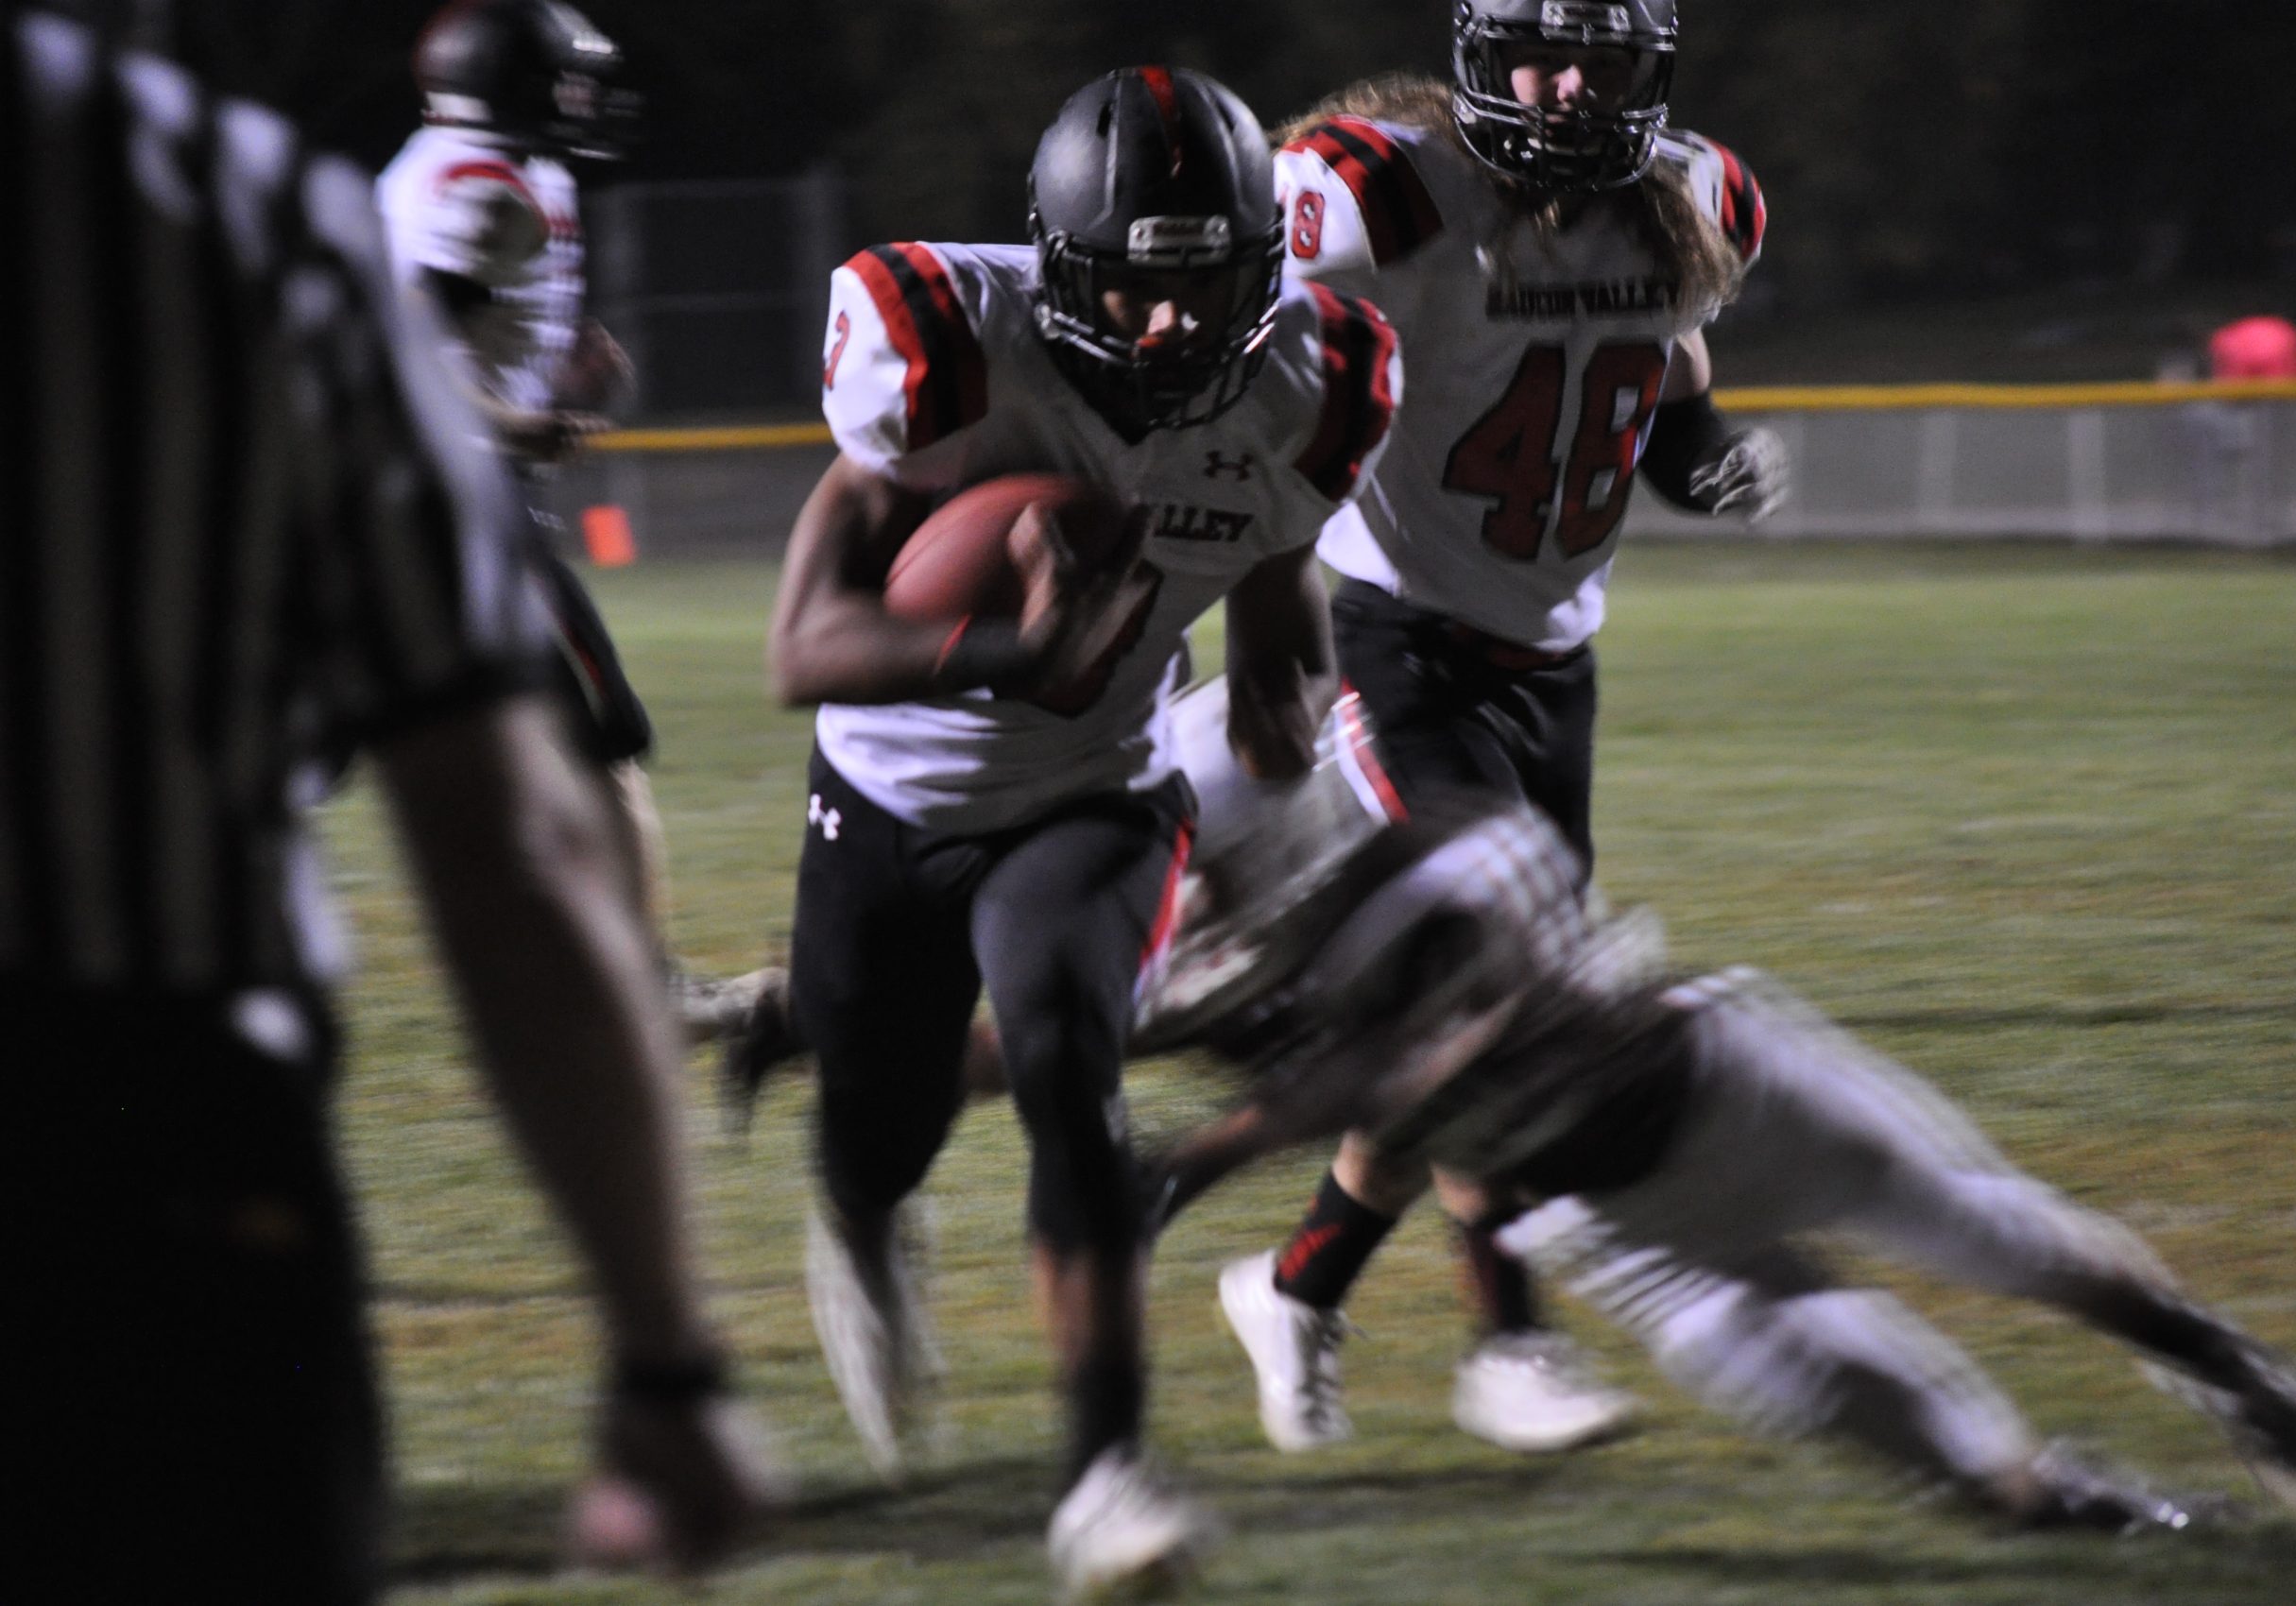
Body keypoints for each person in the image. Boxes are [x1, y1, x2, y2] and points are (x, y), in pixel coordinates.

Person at [5, 7, 780, 1602]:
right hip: (151, 1141)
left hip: (162, 1118)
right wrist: (666, 1359)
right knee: (575, 759)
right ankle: (655, 982)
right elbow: (502, 847)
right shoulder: (223, 198)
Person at [1127, 684, 2296, 1530]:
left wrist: (1192, 1151)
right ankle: (2143, 1533)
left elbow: (1383, 1082)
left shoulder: (1452, 857)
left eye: (1209, 875)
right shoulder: (1243, 955)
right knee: (1951, 1463)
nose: (1188, 905)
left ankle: (2227, 1371)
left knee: (2005, 1242)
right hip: (1621, 1237)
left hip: (1737, 1096)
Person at [766, 66, 1399, 1598]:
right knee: (882, 1121)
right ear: (1063, 268)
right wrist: (1007, 654)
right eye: (1134, 289)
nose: (1175, 329)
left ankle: (1106, 1474)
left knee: (1069, 1060)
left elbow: (1267, 536)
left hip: (1094, 794)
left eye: (1209, 288)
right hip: (890, 796)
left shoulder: (1306, 384)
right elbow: (801, 647)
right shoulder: (943, 355)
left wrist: (1275, 669)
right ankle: (859, 1211)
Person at [1223, 0, 1790, 1461]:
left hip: (1550, 667)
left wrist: (1705, 459)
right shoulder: (1386, 199)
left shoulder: (1690, 198)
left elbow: (1665, 384)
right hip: (1394, 644)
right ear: (1478, 50)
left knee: (1458, 1020)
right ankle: (1512, 1345)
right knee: (1501, 996)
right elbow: (1260, 400)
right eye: (1541, 49)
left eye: (1601, 57)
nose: (1567, 84)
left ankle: (1297, 1288)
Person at [377, 0, 764, 1034]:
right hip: (454, 502)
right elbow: (407, 351)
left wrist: (555, 375)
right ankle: (648, 992)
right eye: (567, 81)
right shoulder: (487, 185)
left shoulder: (454, 166)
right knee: (605, 744)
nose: (584, 100)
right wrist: (515, 425)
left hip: (403, 497)